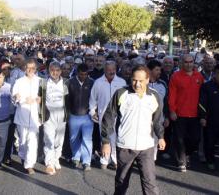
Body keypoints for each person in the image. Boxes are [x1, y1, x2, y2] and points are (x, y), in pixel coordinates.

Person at [100, 66, 165, 195]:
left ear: (148, 79)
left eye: (141, 81)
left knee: (150, 183)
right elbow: (108, 117)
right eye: (134, 80)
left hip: (146, 147)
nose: (137, 84)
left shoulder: (154, 96)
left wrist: (161, 136)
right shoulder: (121, 93)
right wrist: (106, 142)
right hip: (125, 146)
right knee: (121, 182)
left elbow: (157, 120)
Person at [168, 54, 204, 172]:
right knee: (180, 139)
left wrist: (203, 115)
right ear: (181, 63)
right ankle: (181, 161)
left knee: (195, 139)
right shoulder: (175, 76)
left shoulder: (199, 76)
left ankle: (186, 154)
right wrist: (172, 110)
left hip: (195, 115)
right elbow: (172, 95)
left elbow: (203, 97)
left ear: (194, 62)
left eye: (191, 62)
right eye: (186, 62)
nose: (189, 64)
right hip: (180, 114)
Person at [90, 61, 126, 170]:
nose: (111, 72)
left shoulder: (121, 82)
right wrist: (92, 111)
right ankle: (105, 159)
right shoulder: (98, 82)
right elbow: (92, 99)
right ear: (105, 70)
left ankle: (115, 160)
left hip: (118, 116)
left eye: (113, 69)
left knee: (116, 139)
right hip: (103, 115)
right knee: (104, 138)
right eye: (109, 70)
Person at [198, 64, 219, 174]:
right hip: (210, 120)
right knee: (210, 143)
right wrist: (203, 117)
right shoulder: (206, 86)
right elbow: (202, 103)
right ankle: (210, 161)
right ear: (214, 74)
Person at [12, 59, 41, 175]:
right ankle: (23, 157)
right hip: (22, 117)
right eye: (28, 68)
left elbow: (44, 99)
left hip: (35, 117)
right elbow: (13, 98)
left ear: (36, 69)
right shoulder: (19, 81)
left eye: (33, 68)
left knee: (33, 142)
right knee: (23, 141)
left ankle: (29, 165)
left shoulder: (41, 81)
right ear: (25, 68)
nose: (30, 70)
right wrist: (20, 98)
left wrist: (40, 100)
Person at [40, 61, 69, 175]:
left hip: (61, 114)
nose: (55, 73)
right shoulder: (44, 83)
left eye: (57, 70)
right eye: (52, 70)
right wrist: (41, 116)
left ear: (60, 71)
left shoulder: (65, 83)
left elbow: (67, 100)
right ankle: (49, 163)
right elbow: (41, 101)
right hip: (49, 115)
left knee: (59, 140)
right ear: (48, 71)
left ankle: (56, 158)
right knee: (49, 139)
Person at [68, 63, 94, 170]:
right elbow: (67, 99)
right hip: (73, 116)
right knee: (73, 138)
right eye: (81, 74)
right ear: (77, 72)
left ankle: (86, 161)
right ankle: (76, 157)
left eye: (85, 74)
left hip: (87, 117)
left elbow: (95, 98)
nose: (83, 76)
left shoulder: (92, 82)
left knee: (87, 139)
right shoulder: (70, 82)